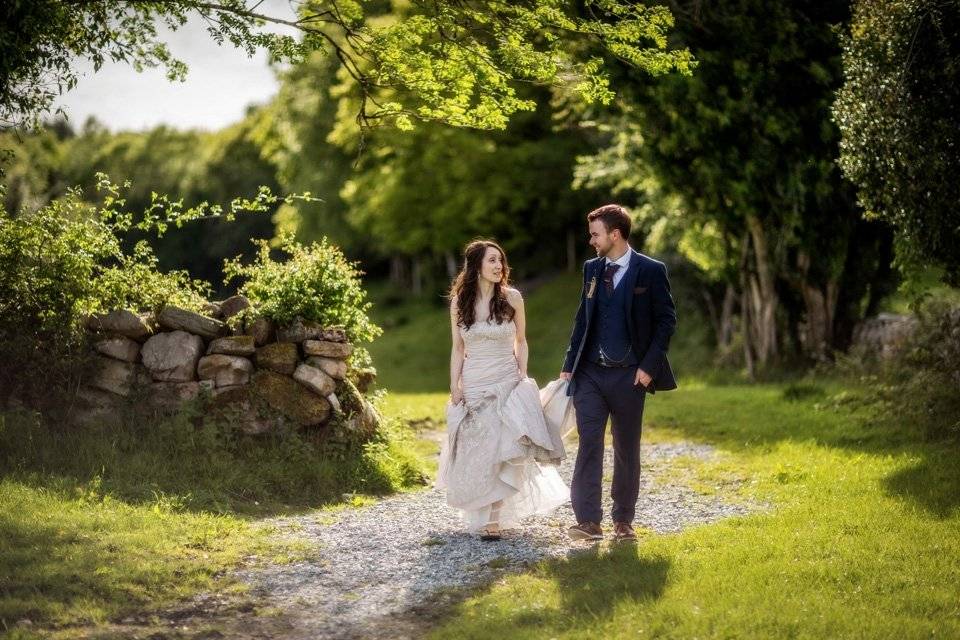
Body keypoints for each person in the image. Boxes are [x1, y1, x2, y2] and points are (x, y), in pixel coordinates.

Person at [560, 204, 678, 542]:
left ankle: (623, 520)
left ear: (615, 234)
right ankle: (588, 521)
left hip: (631, 375)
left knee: (627, 447)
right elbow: (583, 319)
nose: (591, 240)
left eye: (595, 234)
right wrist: (569, 367)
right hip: (590, 375)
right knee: (589, 443)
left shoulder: (651, 271)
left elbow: (666, 321)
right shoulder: (591, 269)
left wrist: (648, 367)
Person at [438, 240, 567, 541]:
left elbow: (521, 341)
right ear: (477, 266)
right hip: (474, 383)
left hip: (506, 381)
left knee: (502, 446)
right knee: (479, 451)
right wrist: (455, 386)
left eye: (501, 260)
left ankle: (492, 520)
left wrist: (521, 372)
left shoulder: (513, 298)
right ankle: (480, 510)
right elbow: (458, 348)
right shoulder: (460, 303)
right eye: (492, 260)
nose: (499, 266)